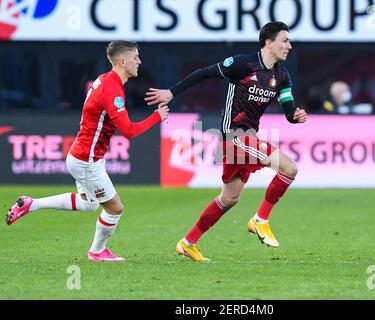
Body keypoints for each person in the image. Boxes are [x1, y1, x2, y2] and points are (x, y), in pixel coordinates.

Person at [145, 21, 307, 262]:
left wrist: (296, 115)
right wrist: (172, 92)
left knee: (230, 198)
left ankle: (188, 242)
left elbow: (288, 109)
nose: (289, 46)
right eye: (285, 40)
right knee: (289, 168)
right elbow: (204, 73)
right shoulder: (243, 63)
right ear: (268, 42)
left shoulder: (282, 76)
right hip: (233, 134)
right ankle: (260, 220)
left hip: (248, 137)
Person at [6, 40, 169, 262]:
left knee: (88, 204)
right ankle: (97, 251)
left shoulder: (105, 80)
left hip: (84, 155)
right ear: (122, 61)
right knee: (115, 208)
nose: (139, 61)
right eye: (135, 57)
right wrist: (156, 117)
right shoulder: (112, 89)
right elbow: (129, 131)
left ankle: (31, 204)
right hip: (87, 160)